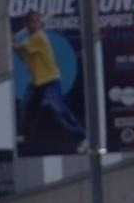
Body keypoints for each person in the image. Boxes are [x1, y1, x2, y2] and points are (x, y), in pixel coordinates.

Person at [12, 12, 85, 141]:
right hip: (37, 81)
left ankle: (83, 135)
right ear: (27, 24)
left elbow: (18, 48)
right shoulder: (30, 40)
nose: (35, 23)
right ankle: (25, 135)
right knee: (26, 107)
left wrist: (12, 41)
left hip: (50, 80)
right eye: (32, 21)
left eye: (37, 21)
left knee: (60, 109)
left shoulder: (39, 37)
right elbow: (21, 54)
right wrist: (14, 42)